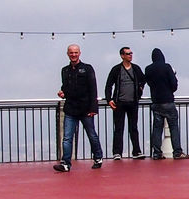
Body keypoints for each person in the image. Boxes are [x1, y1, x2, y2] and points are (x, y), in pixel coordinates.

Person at [56, 44, 104, 172]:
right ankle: (65, 163)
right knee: (67, 138)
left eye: (75, 52)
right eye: (71, 53)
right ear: (67, 54)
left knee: (91, 135)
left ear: (79, 53)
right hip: (70, 109)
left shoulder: (87, 69)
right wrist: (62, 93)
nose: (73, 55)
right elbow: (66, 87)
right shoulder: (65, 70)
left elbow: (93, 88)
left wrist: (94, 108)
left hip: (86, 109)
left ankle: (98, 157)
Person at [143, 47, 188, 159]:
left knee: (157, 128)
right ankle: (177, 152)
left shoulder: (148, 69)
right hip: (168, 101)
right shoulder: (167, 67)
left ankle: (157, 153)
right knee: (173, 127)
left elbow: (148, 82)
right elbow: (174, 84)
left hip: (156, 102)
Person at [105, 47, 146, 159]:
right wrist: (109, 99)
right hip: (120, 103)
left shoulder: (136, 68)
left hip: (133, 102)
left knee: (133, 127)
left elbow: (143, 79)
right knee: (119, 128)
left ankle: (136, 151)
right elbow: (109, 85)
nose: (130, 56)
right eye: (128, 54)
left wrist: (140, 88)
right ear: (122, 56)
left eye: (131, 53)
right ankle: (117, 152)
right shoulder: (116, 69)